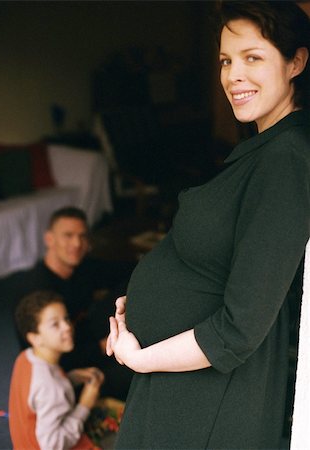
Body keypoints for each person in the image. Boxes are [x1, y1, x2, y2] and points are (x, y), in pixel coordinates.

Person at [106, 2, 310, 449]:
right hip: (183, 386)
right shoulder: (264, 147)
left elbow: (239, 330)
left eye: (252, 57)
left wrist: (139, 357)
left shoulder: (287, 159)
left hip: (209, 404)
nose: (233, 75)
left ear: (296, 61)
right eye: (225, 60)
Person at [17, 206, 134, 400]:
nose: (77, 243)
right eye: (68, 235)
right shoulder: (35, 294)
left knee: (131, 282)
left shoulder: (81, 266)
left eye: (82, 236)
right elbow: (48, 357)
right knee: (136, 372)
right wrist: (102, 345)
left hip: (82, 333)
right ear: (49, 239)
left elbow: (125, 270)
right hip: (65, 367)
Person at [9, 290, 104, 450]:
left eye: (66, 318)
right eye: (55, 324)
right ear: (35, 338)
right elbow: (52, 445)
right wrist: (84, 405)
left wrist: (69, 378)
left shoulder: (26, 357)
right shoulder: (50, 386)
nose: (67, 326)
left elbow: (39, 395)